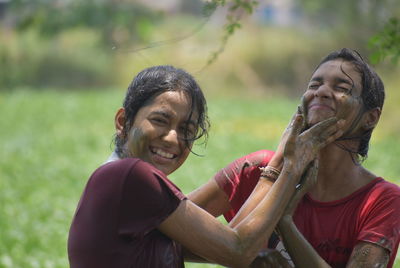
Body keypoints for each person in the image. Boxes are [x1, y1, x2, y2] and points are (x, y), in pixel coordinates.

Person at [67, 65, 344, 267]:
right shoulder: (132, 176)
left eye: (186, 129)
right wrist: (291, 167)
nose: (173, 138)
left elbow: (221, 241)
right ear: (122, 122)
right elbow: (237, 249)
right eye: (160, 120)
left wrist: (270, 166)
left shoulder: (121, 181)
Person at [189, 48, 400, 268]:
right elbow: (162, 226)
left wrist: (285, 222)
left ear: (371, 118)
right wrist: (245, 256)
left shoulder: (381, 200)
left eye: (342, 88)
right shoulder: (258, 170)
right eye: (314, 85)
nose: (322, 92)